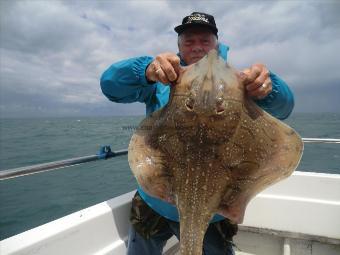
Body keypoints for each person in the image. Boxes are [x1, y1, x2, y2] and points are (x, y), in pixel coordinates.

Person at [100, 12, 294, 255]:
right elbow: (109, 86)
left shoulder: (240, 83)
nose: (197, 47)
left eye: (204, 40)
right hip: (155, 199)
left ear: (217, 44)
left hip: (213, 211)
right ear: (179, 47)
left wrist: (269, 88)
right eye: (189, 41)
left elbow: (284, 109)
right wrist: (145, 70)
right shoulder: (162, 79)